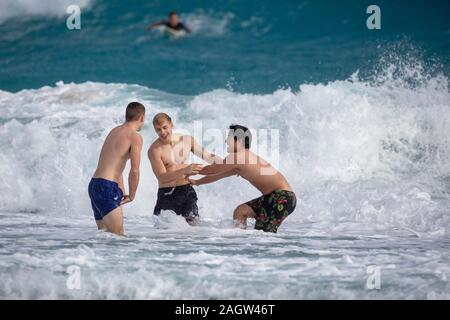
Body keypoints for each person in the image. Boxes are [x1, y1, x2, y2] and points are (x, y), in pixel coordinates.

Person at [189, 125, 297, 233]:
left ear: (238, 140)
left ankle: (268, 249)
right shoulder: (241, 160)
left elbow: (211, 170)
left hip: (283, 198)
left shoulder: (237, 157)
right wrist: (197, 182)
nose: (226, 141)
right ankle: (240, 241)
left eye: (229, 137)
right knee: (241, 211)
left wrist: (185, 170)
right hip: (272, 197)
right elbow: (217, 175)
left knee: (265, 234)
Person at [148, 113, 221, 224]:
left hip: (187, 191)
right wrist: (184, 170)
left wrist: (228, 164)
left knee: (193, 231)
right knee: (165, 234)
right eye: (158, 130)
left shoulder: (186, 140)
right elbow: (162, 177)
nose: (162, 132)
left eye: (164, 127)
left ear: (171, 124)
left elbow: (208, 156)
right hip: (168, 195)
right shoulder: (154, 150)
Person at [88, 102, 145, 235]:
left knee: (104, 236)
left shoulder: (114, 131)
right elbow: (134, 170)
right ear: (141, 118)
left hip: (94, 185)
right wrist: (132, 195)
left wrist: (123, 189)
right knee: (117, 237)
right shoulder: (135, 137)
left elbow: (115, 164)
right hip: (107, 187)